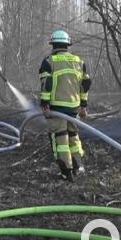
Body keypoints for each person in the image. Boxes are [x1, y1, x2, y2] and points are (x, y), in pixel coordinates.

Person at [39, 30, 91, 182]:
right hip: (73, 108)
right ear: (68, 44)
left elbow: (46, 85)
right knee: (73, 136)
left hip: (56, 108)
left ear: (53, 44)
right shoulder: (79, 61)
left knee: (60, 138)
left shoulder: (49, 61)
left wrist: (45, 105)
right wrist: (83, 106)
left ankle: (66, 172)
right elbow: (85, 85)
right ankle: (78, 166)